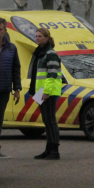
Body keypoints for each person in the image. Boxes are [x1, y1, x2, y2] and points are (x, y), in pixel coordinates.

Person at [0, 17, 21, 159]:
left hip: (4, 89)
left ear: (5, 31)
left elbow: (16, 69)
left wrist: (17, 88)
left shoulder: (11, 48)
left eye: (0, 29)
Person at [29, 28, 62, 160]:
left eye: (40, 36)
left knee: (51, 120)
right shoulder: (40, 53)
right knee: (46, 121)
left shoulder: (50, 54)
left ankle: (54, 150)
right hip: (41, 92)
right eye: (36, 36)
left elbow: (52, 74)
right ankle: (49, 148)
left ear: (47, 38)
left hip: (48, 92)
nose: (37, 38)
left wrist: (46, 92)